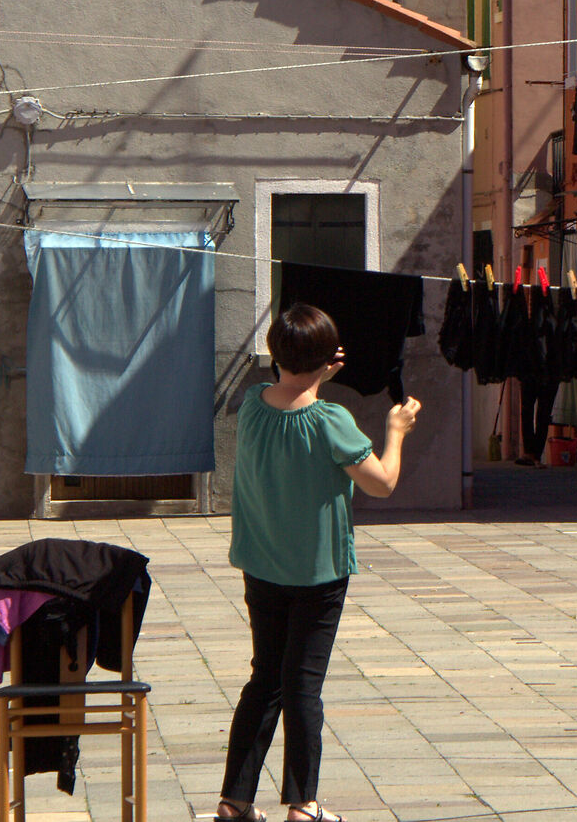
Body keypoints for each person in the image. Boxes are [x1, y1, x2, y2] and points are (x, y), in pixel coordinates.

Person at [215, 303, 420, 822]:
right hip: (317, 573)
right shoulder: (333, 420)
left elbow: (290, 401)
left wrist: (314, 373)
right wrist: (395, 431)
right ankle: (302, 804)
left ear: (274, 353)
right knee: (302, 685)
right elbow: (383, 482)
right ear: (329, 359)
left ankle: (234, 800)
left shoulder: (252, 405)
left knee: (266, 679)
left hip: (261, 565)